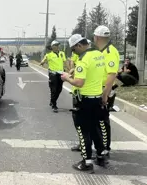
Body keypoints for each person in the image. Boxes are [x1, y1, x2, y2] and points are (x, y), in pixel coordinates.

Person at [61, 34, 107, 172]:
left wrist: (67, 78)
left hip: (84, 100)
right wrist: (77, 70)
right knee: (95, 128)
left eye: (74, 49)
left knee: (83, 130)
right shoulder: (98, 54)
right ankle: (100, 155)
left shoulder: (83, 59)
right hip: (97, 97)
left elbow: (79, 82)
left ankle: (86, 161)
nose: (73, 53)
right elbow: (94, 71)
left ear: (79, 45)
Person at [93, 25, 120, 156]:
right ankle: (99, 146)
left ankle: (105, 147)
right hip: (97, 90)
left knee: (103, 120)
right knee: (96, 120)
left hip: (104, 90)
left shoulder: (110, 51)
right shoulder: (101, 52)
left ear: (97, 37)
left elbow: (111, 74)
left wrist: (105, 95)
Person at [40, 40, 68, 113]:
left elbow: (65, 62)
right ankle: (54, 105)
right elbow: (43, 61)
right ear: (52, 47)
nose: (58, 46)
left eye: (58, 45)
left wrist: (69, 70)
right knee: (54, 90)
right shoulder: (48, 55)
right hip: (53, 74)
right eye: (56, 45)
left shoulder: (62, 54)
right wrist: (42, 62)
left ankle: (52, 101)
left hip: (61, 74)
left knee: (59, 90)